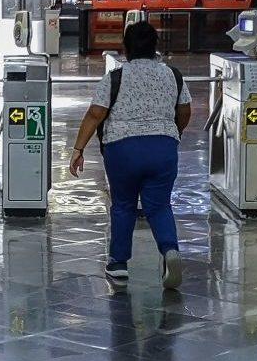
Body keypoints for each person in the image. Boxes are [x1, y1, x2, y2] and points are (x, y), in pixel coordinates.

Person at [69, 21, 192, 289]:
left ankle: (118, 264)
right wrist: (173, 134)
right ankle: (170, 251)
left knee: (124, 205)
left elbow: (95, 114)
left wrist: (78, 149)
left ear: (125, 48)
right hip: (163, 148)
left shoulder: (115, 77)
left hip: (123, 150)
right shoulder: (173, 75)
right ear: (155, 47)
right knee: (159, 206)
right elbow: (185, 111)